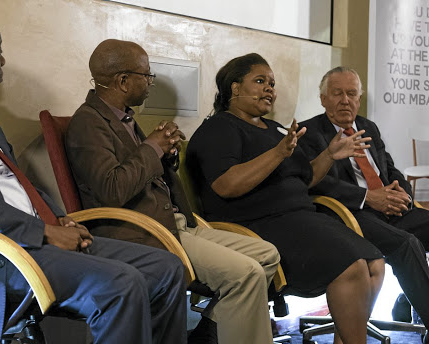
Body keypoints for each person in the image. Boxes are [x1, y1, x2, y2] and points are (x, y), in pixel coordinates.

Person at [0, 7, 187, 344]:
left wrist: (58, 219)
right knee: (123, 283)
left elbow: (17, 182)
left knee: (167, 268)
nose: (3, 62)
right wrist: (41, 231)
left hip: (30, 235)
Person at [65, 39, 280, 344]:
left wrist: (166, 154)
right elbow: (112, 190)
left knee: (267, 254)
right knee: (246, 274)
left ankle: (209, 332)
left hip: (176, 222)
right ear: (123, 81)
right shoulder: (88, 122)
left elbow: (142, 172)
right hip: (144, 231)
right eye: (146, 76)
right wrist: (152, 147)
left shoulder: (123, 117)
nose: (150, 82)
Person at [186, 53, 386, 344]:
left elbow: (306, 178)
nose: (270, 88)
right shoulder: (219, 128)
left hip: (302, 217)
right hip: (257, 225)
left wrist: (330, 154)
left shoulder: (275, 128)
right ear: (235, 88)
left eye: (272, 83)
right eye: (260, 81)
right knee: (353, 267)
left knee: (375, 264)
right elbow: (227, 185)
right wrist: (278, 153)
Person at [299, 66, 429, 327]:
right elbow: (316, 183)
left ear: (359, 99)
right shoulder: (309, 133)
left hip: (389, 208)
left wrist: (400, 192)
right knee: (407, 244)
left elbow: (389, 167)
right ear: (323, 98)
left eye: (351, 94)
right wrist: (368, 197)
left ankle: (408, 300)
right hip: (351, 214)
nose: (345, 100)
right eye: (337, 93)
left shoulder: (368, 126)